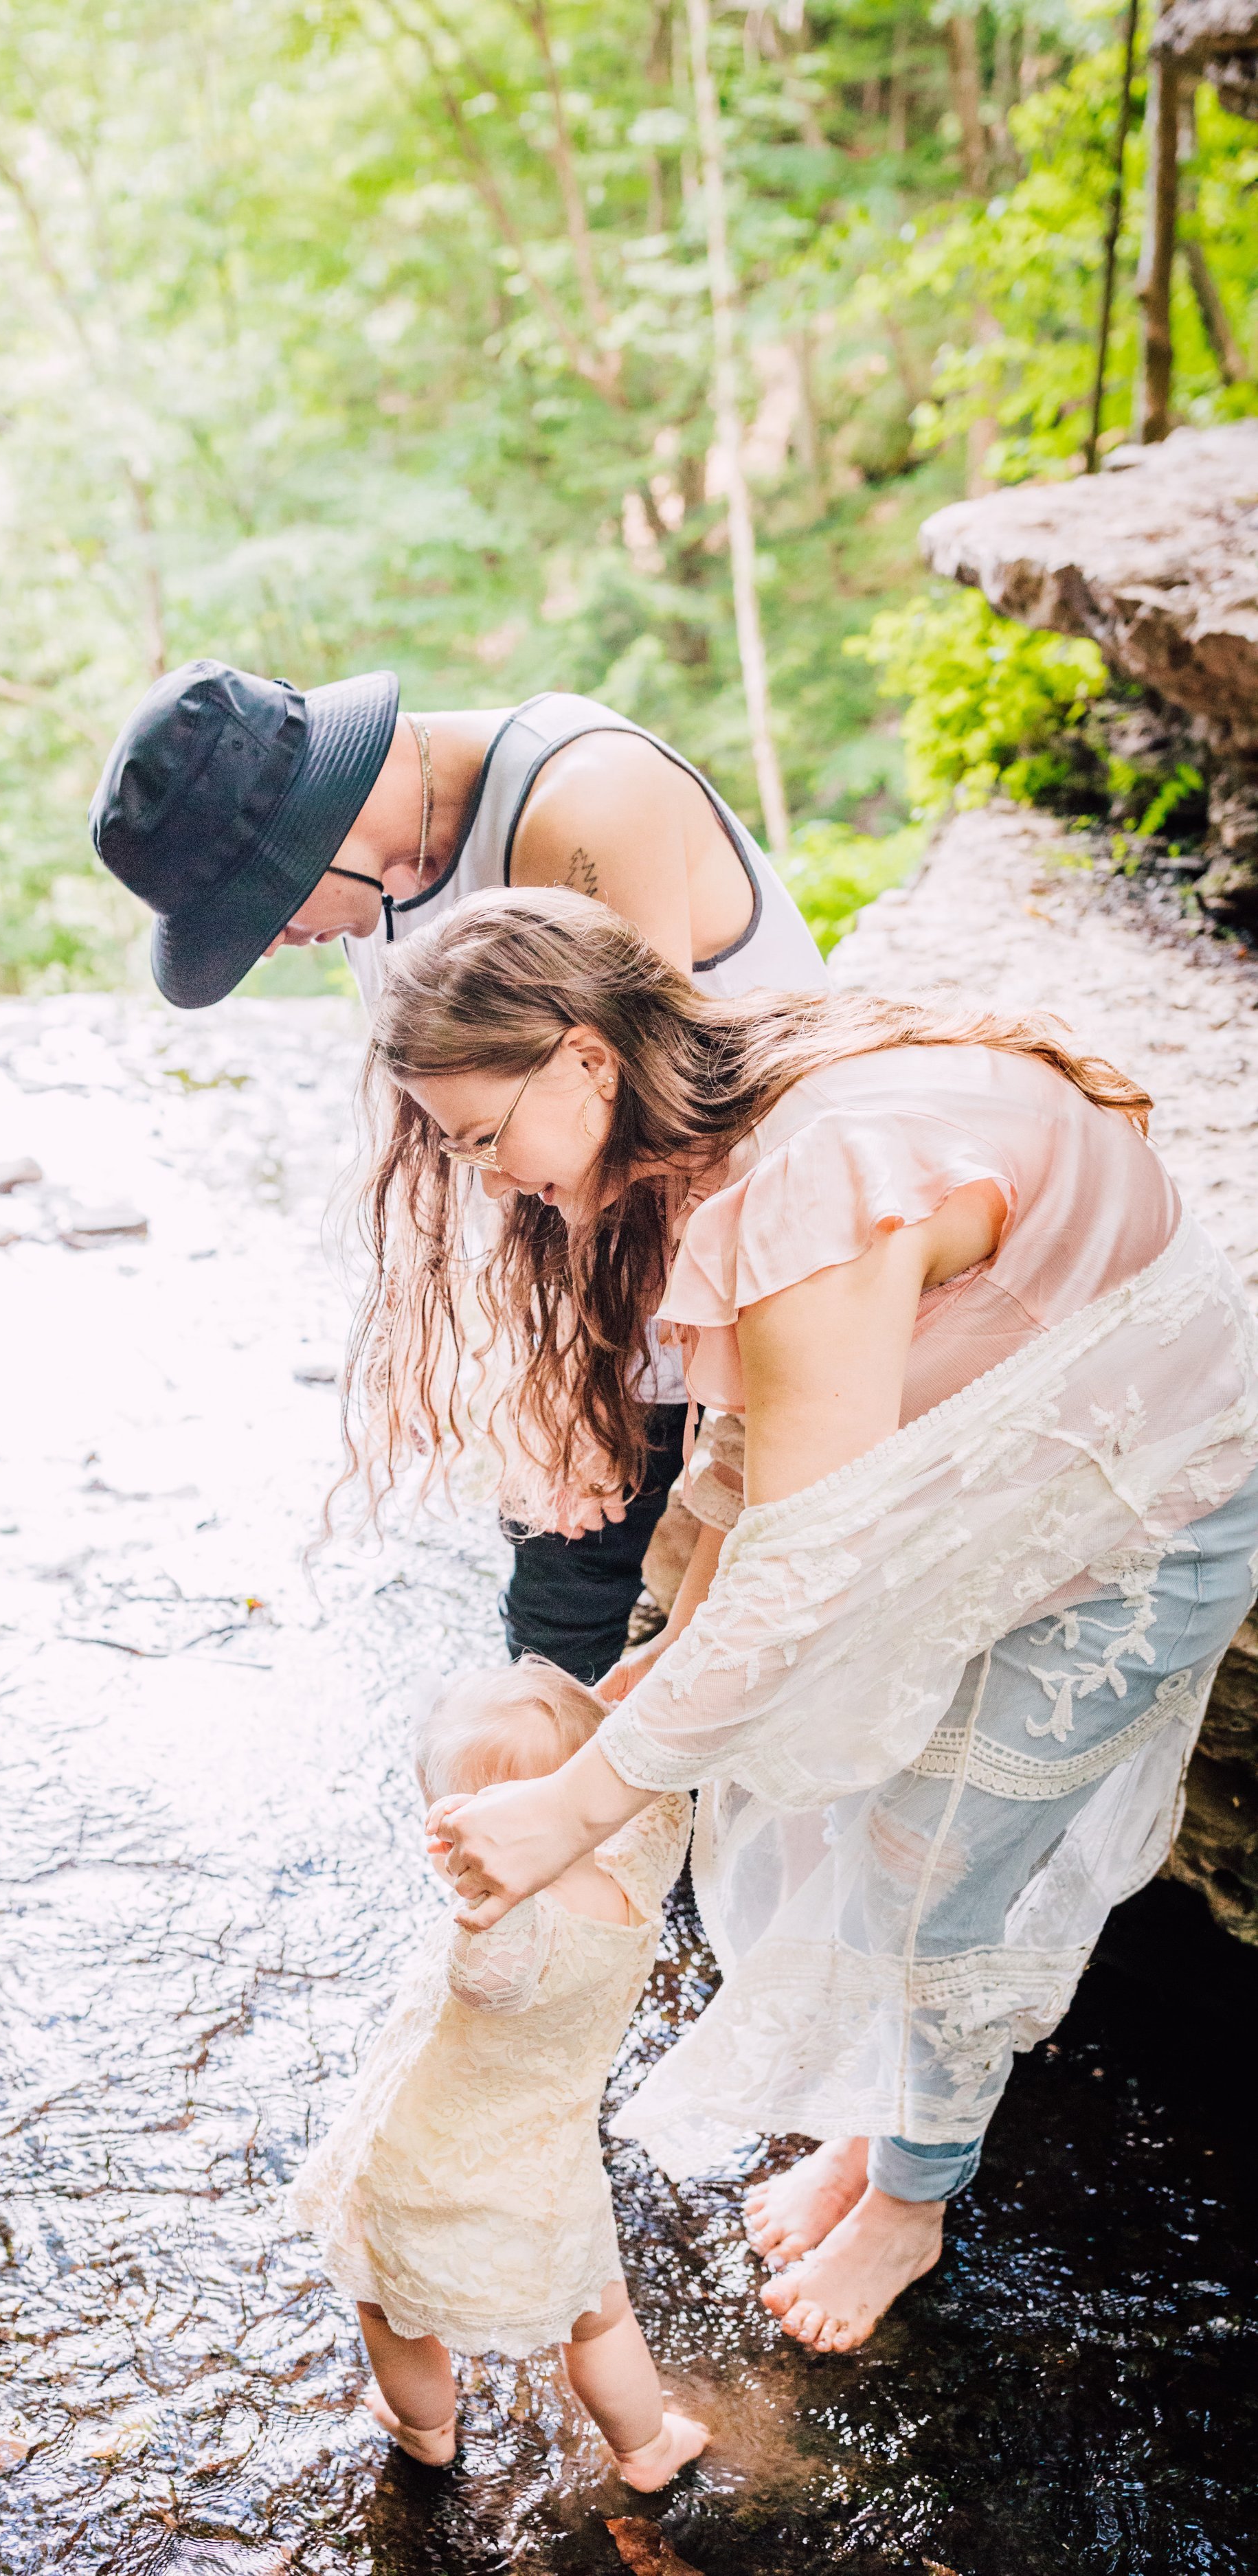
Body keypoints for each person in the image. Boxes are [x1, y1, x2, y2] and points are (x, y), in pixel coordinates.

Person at [348, 888, 1258, 2352]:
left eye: (478, 1137)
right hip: (996, 1469)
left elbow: (801, 1571)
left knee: (930, 1882)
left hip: (1129, 1518)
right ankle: (879, 2116)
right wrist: (659, 1651)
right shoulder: (731, 1117)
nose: (490, 1181)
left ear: (584, 1062)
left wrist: (574, 1804)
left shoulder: (817, 1169)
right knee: (856, 1797)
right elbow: (756, 1440)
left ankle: (910, 2198)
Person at [89, 659, 825, 1684]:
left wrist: (577, 1390)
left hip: (760, 1255)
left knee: (675, 1650)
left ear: (319, 827)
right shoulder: (374, 878)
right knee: (550, 1637)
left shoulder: (584, 801)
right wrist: (544, 1372)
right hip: (610, 1288)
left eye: (264, 910)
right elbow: (491, 1146)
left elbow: (634, 1143)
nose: (266, 950)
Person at [289, 1656, 708, 2487]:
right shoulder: (639, 1861)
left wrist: (481, 1884)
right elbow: (656, 1791)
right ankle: (646, 2448)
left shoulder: (499, 1927)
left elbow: (485, 1978)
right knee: (596, 2317)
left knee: (389, 2309)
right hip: (548, 2163)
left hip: (422, 2158)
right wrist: (616, 1738)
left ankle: (426, 2430)